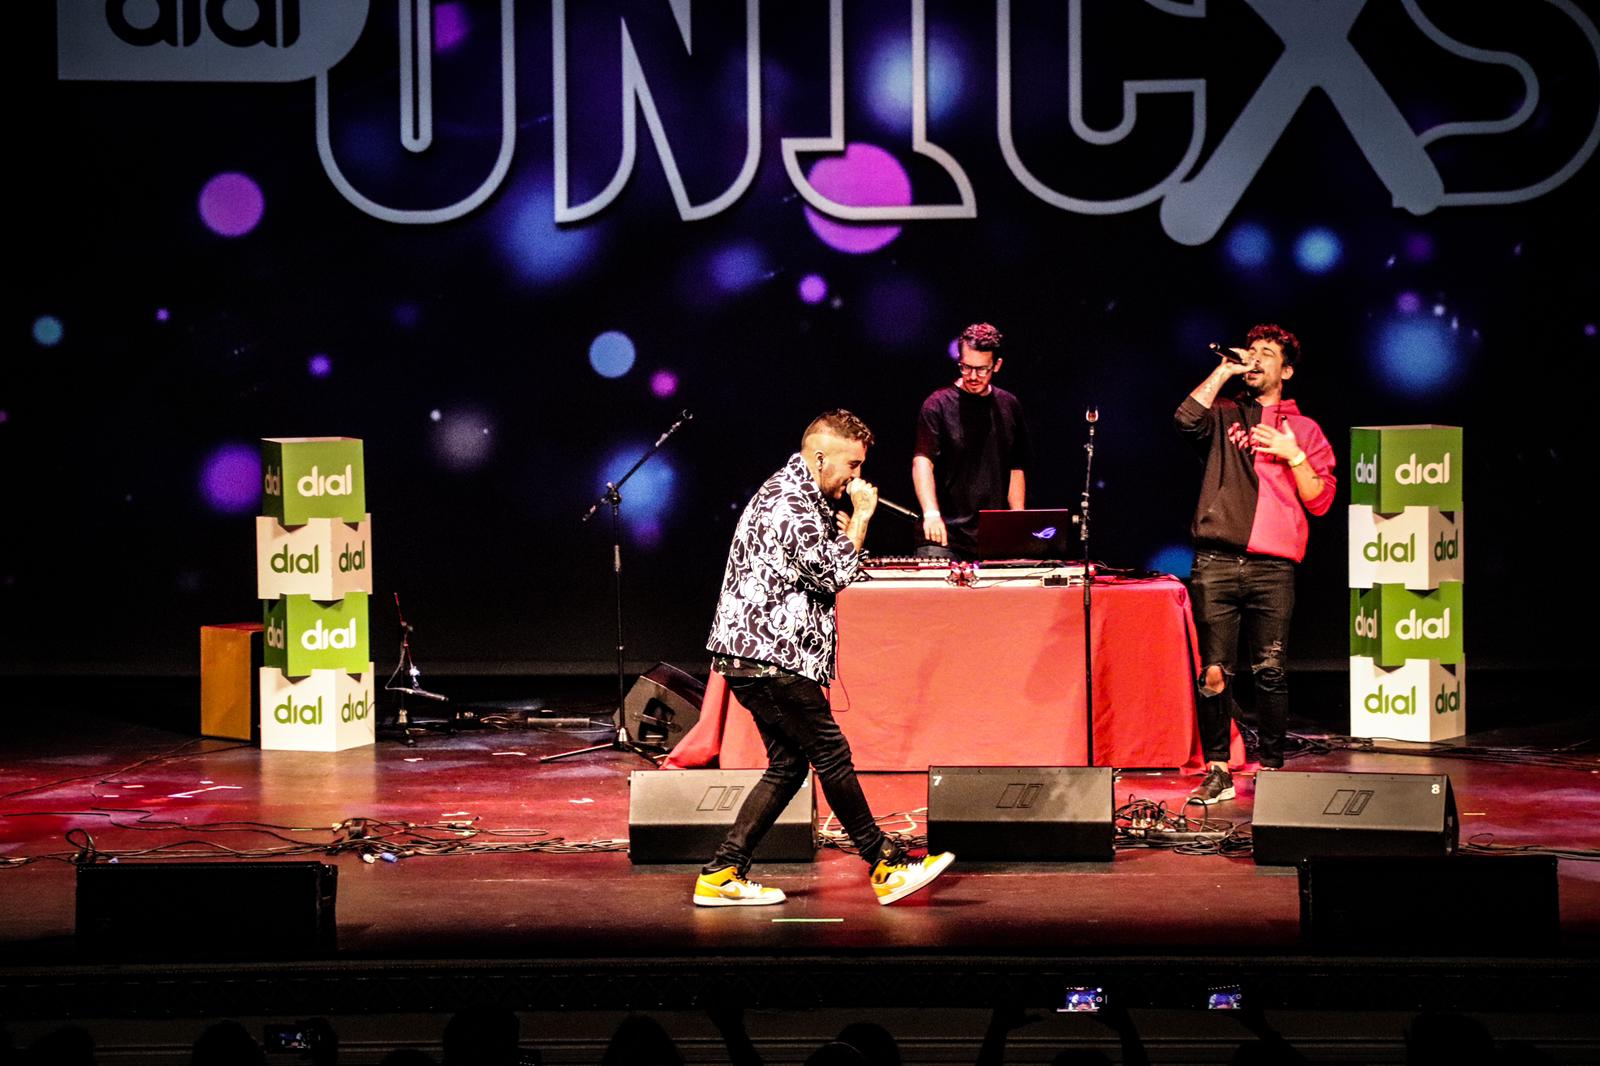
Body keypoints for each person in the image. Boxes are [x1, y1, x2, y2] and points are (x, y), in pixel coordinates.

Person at [698, 409, 955, 906]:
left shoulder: (800, 495)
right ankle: (885, 864)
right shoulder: (790, 501)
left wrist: (843, 529)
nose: (856, 477)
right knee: (831, 754)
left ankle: (721, 874)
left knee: (788, 766)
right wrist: (862, 517)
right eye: (852, 465)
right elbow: (835, 573)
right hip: (770, 657)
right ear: (820, 458)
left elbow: (822, 565)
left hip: (759, 656)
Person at [1174, 324, 1336, 803]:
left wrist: (1293, 454)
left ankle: (1272, 768)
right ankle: (1218, 769)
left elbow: (1320, 501)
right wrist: (1225, 369)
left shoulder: (1305, 429)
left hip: (1272, 568)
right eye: (1252, 351)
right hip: (1216, 561)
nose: (1256, 358)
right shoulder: (1225, 414)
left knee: (1271, 670)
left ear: (1286, 371)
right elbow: (1185, 418)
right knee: (1213, 672)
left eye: (1268, 353)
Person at [912, 323, 1032, 560]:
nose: (973, 376)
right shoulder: (937, 405)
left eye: (982, 369)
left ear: (996, 365)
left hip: (993, 537)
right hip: (944, 536)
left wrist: (1017, 520)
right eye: (966, 367)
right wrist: (931, 513)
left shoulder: (1009, 406)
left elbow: (1015, 467)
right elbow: (922, 461)